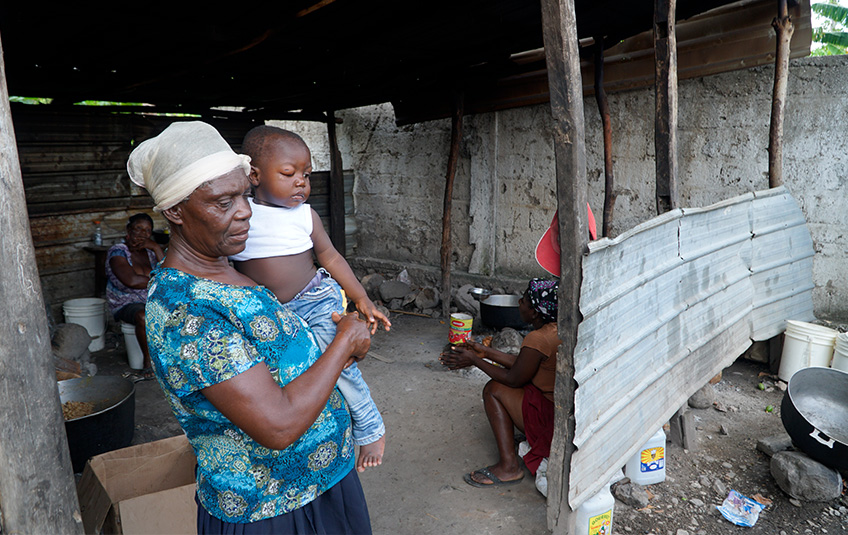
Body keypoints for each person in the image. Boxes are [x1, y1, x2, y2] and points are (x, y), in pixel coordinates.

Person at [127, 120, 373, 534]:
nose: (244, 211)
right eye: (222, 202)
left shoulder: (231, 270)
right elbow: (277, 425)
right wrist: (345, 341)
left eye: (244, 194)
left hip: (325, 482)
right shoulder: (187, 312)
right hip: (271, 509)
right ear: (175, 212)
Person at [230, 125, 390, 473]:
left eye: (306, 174)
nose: (301, 182)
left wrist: (361, 298)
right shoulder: (241, 216)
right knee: (286, 373)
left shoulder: (306, 216)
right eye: (289, 174)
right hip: (272, 310)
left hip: (315, 298)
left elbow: (330, 258)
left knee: (335, 357)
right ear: (253, 175)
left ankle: (369, 424)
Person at [439, 278, 561, 487]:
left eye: (523, 300)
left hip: (549, 421)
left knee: (493, 390)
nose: (519, 303)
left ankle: (509, 467)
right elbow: (524, 365)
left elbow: (513, 379)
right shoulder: (555, 330)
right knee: (504, 380)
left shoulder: (538, 338)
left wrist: (475, 360)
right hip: (559, 410)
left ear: (535, 312)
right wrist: (484, 351)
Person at [105, 212, 165, 379]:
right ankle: (147, 362)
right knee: (143, 316)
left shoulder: (151, 253)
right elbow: (130, 280)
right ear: (129, 229)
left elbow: (170, 273)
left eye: (147, 230)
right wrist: (161, 280)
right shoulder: (118, 252)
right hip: (126, 302)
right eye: (138, 228)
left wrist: (156, 247)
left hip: (152, 298)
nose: (141, 234)